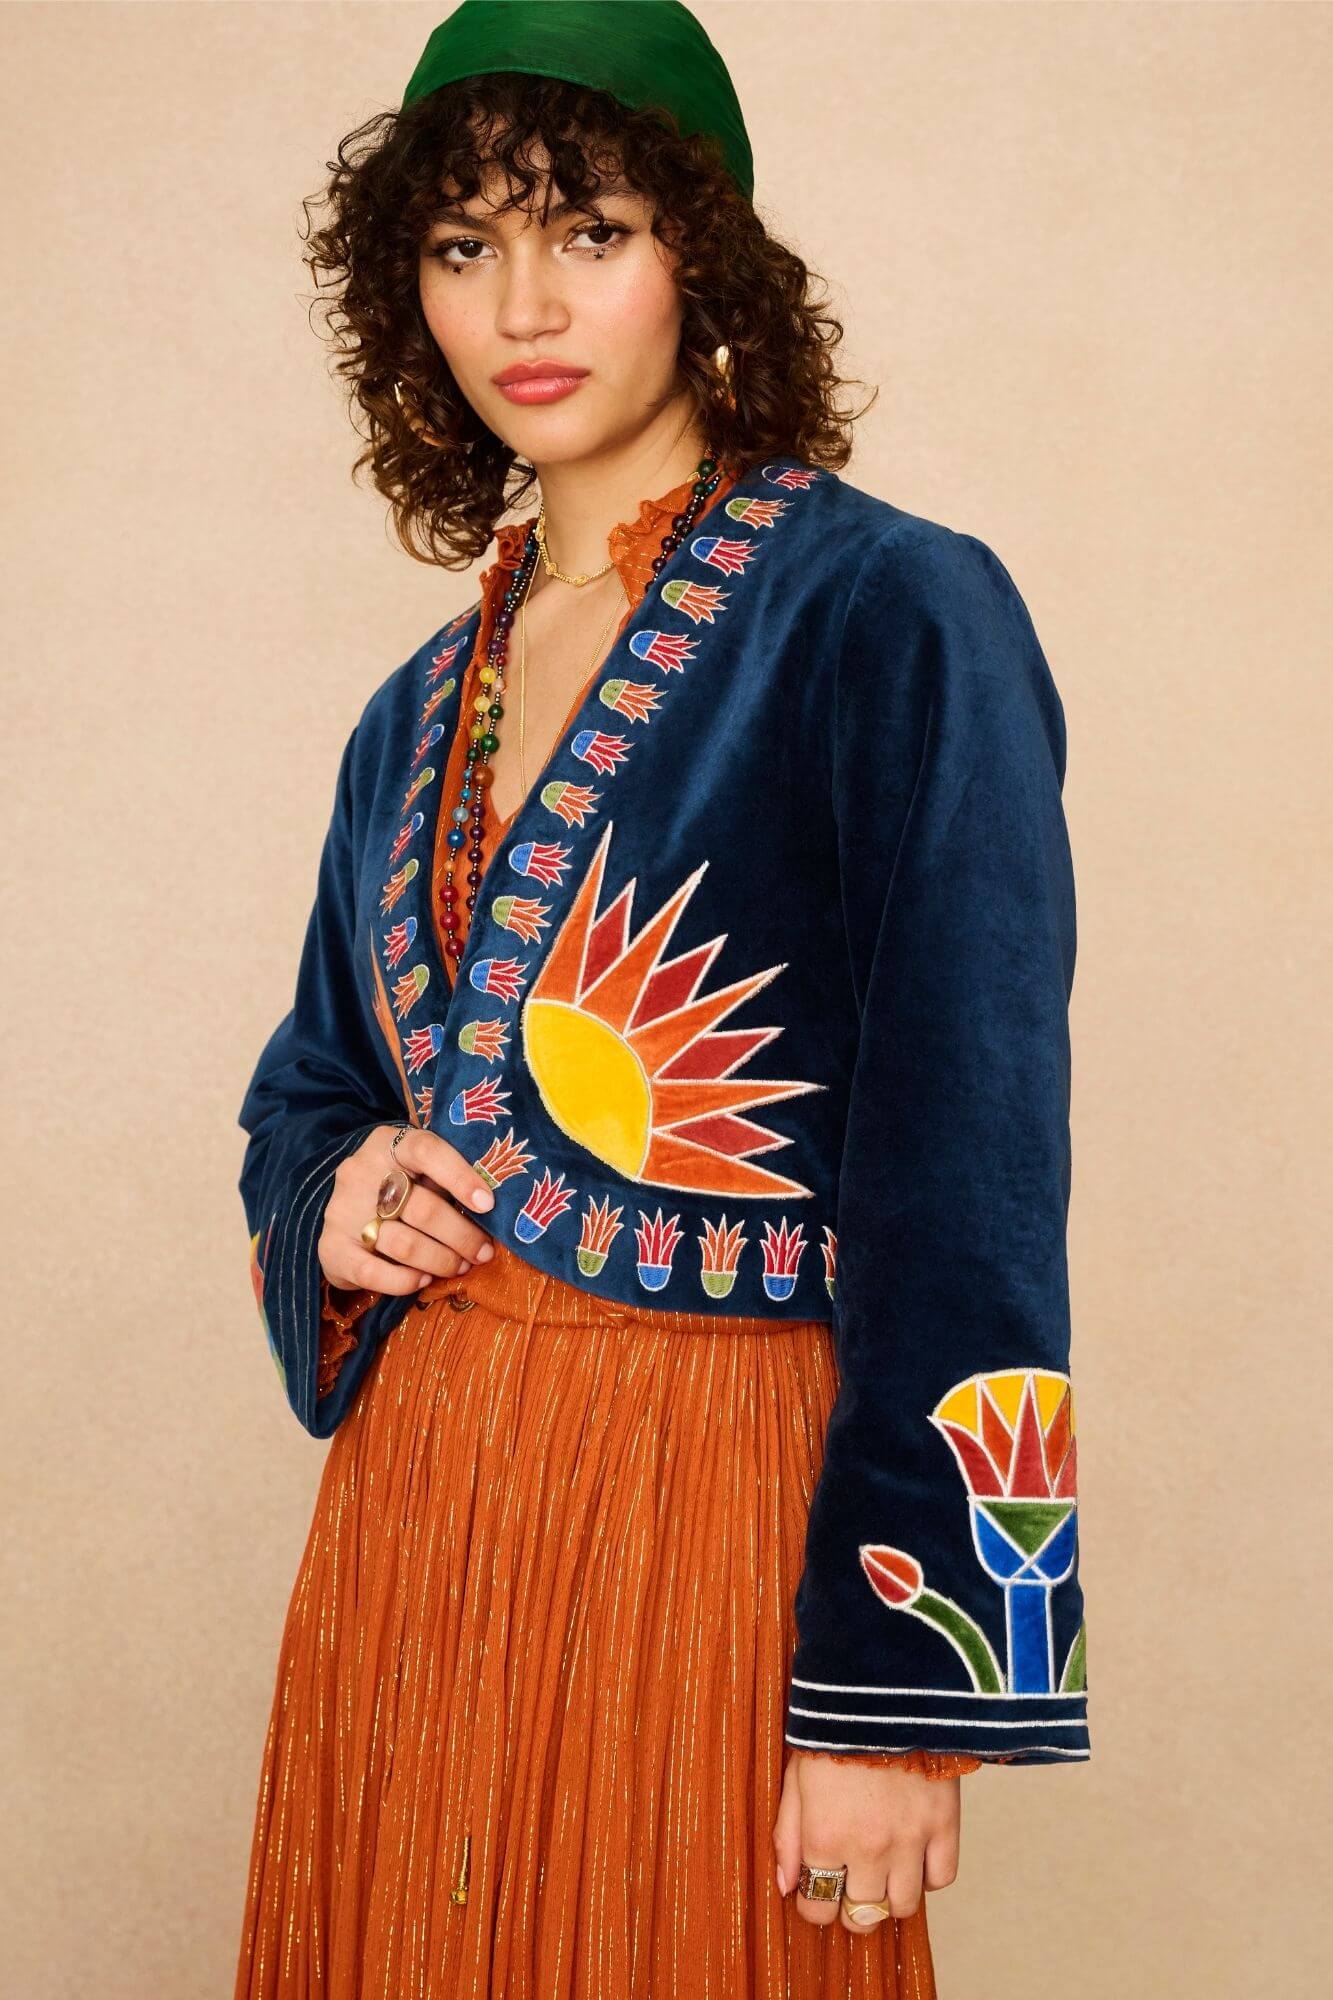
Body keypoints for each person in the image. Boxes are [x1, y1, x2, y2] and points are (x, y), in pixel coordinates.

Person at [233, 4, 1090, 1995]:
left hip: (720, 1503)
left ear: (702, 252)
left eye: (589, 232)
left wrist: (899, 1692)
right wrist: (336, 1193)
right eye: (462, 246)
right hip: (418, 1507)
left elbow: (972, 1167)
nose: (522, 305)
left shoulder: (886, 611)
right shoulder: (411, 713)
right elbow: (311, 1088)